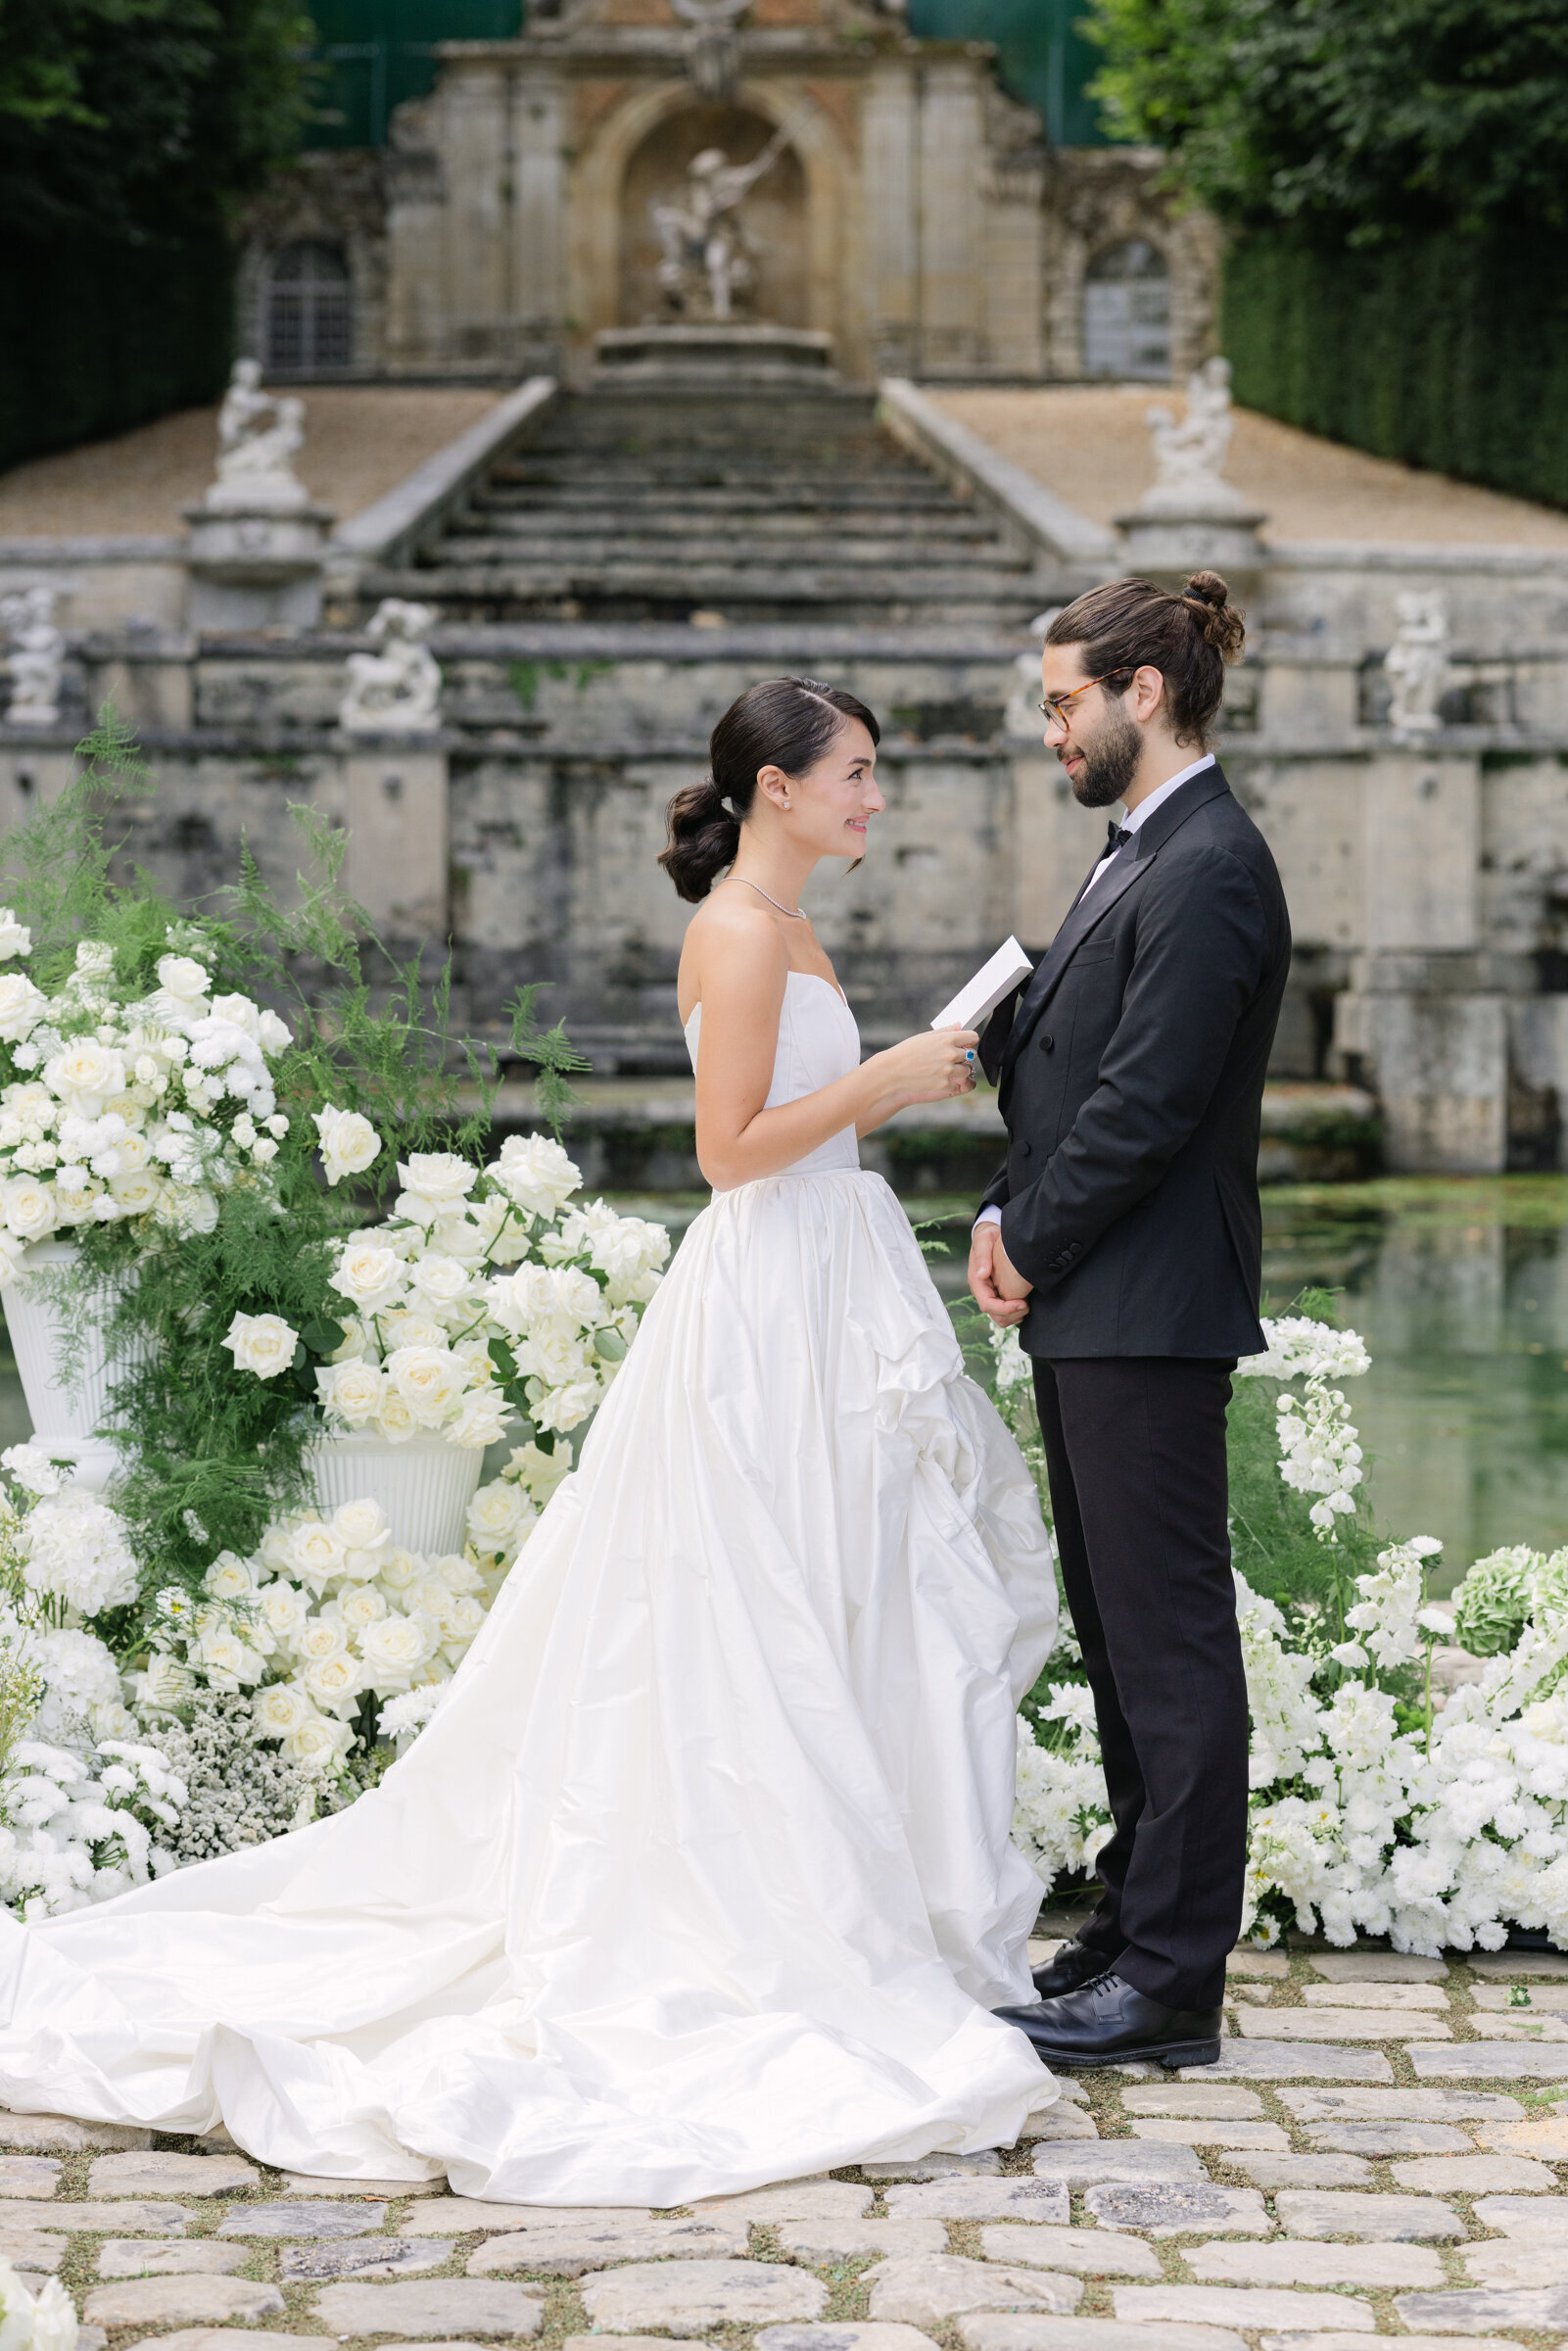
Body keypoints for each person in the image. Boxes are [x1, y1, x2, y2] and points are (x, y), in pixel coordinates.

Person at [0, 677, 1060, 2202]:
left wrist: (880, 1086)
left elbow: (798, 1124)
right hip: (769, 1291)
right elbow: (727, 1156)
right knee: (748, 1604)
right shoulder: (743, 932)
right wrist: (889, 1078)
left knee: (852, 1584)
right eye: (857, 775)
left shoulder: (794, 924)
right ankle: (760, 1914)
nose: (875, 799)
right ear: (775, 789)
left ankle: (873, 1893)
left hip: (833, 1278)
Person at [970, 574, 1290, 2070]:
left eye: (1061, 702)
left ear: (1138, 695)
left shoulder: (1212, 862)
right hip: (1095, 1297)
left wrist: (1025, 1237)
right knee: (1116, 1634)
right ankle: (1128, 1919)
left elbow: (1151, 1103)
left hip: (1144, 1305)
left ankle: (1170, 1984)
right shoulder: (1136, 854)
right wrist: (999, 1203)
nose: (1052, 731)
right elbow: (1086, 1061)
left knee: (1165, 1644)